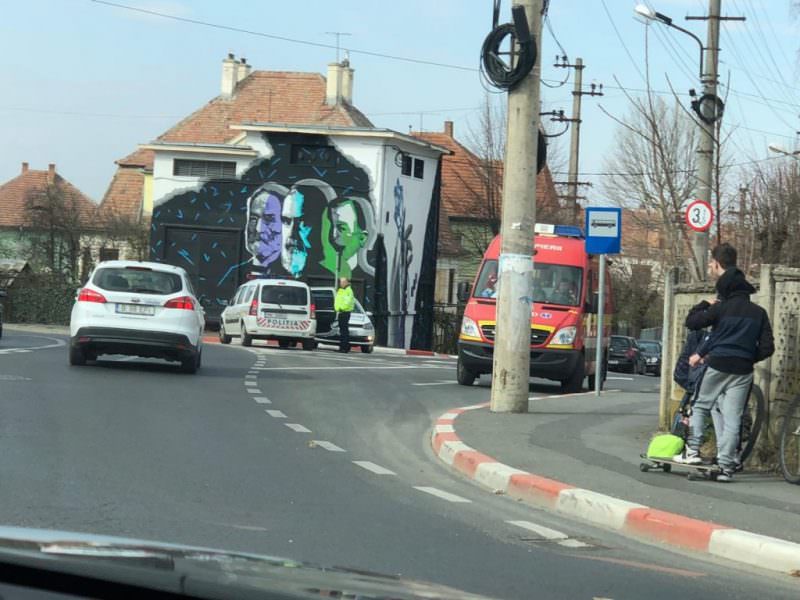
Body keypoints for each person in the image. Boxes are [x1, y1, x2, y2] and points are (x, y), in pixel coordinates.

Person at [674, 243, 774, 482]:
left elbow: (692, 322)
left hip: (718, 365)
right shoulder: (759, 313)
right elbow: (768, 347)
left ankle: (693, 451)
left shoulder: (721, 308)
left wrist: (705, 304)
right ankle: (726, 467)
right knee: (733, 418)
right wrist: (750, 356)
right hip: (743, 370)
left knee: (700, 405)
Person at [335, 277, 356, 353]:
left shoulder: (348, 291)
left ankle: (344, 347)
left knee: (344, 331)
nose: (341, 283)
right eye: (340, 282)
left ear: (346, 283)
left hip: (344, 312)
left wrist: (341, 308)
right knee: (343, 330)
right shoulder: (342, 290)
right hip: (341, 312)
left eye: (342, 282)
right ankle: (344, 347)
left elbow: (347, 302)